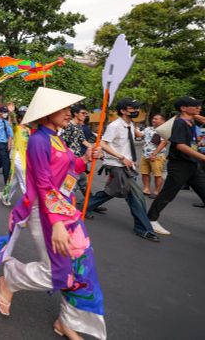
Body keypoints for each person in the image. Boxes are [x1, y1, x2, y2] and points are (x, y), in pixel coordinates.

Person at [0, 87, 106, 340]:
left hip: (66, 209)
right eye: (63, 109)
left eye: (68, 109)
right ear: (47, 113)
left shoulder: (57, 138)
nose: (69, 113)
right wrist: (57, 224)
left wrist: (85, 157)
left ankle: (66, 323)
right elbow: (44, 184)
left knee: (80, 268)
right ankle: (10, 279)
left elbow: (70, 167)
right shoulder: (39, 140)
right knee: (59, 271)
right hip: (45, 211)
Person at [84, 98, 160, 242]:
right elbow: (103, 144)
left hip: (127, 166)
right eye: (133, 108)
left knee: (112, 192)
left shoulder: (130, 124)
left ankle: (84, 206)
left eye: (137, 108)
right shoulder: (115, 125)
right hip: (116, 165)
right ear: (123, 110)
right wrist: (121, 157)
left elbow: (134, 137)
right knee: (136, 196)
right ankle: (143, 228)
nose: (136, 111)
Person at [147, 97, 205, 235]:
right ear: (183, 108)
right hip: (180, 165)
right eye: (195, 105)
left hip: (192, 165)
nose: (199, 107)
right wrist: (203, 157)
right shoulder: (180, 123)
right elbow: (180, 145)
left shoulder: (190, 121)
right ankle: (151, 219)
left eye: (199, 105)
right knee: (167, 194)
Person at [60, 104, 98, 208]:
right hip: (70, 160)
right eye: (83, 113)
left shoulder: (79, 126)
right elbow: (63, 141)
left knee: (83, 183)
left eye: (86, 113)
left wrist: (93, 148)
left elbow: (83, 140)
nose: (85, 115)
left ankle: (90, 205)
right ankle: (65, 205)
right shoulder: (69, 125)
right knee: (71, 185)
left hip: (79, 159)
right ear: (75, 114)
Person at [0, 106, 30, 207]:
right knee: (24, 180)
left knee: (16, 180)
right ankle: (30, 203)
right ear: (21, 118)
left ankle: (5, 195)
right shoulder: (17, 128)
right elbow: (14, 122)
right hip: (17, 157)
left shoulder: (28, 130)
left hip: (25, 157)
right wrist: (12, 113)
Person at [140, 114, 168, 198]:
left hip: (157, 156)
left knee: (157, 174)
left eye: (156, 119)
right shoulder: (148, 129)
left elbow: (163, 143)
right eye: (153, 118)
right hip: (145, 155)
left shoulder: (164, 130)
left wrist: (154, 154)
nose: (153, 120)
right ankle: (146, 189)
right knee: (144, 173)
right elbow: (139, 135)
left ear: (162, 121)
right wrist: (131, 126)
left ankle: (157, 191)